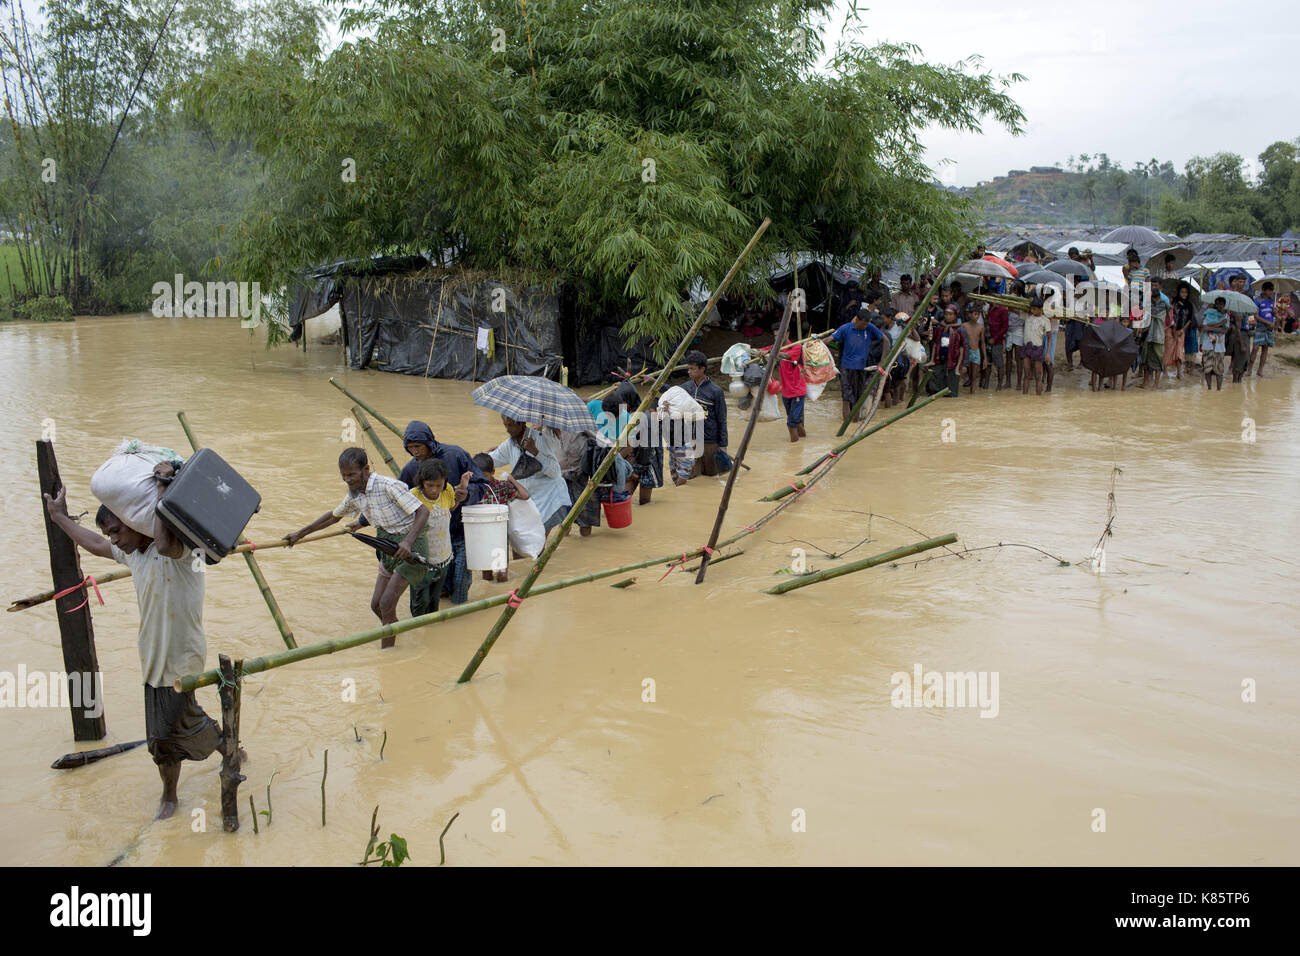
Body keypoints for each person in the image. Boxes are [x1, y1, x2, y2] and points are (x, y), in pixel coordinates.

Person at [45, 467, 220, 820]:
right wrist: (60, 518)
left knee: (160, 737)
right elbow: (94, 545)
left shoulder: (179, 551)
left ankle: (169, 797)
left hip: (181, 655)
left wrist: (161, 489)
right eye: (110, 533)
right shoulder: (133, 554)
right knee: (184, 719)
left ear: (135, 521)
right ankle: (227, 745)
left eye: (117, 530)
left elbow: (166, 542)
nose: (113, 539)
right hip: (152, 656)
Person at [286, 447, 430, 648]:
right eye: (344, 476)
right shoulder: (355, 494)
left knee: (387, 603)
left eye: (352, 474)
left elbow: (423, 512)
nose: (348, 480)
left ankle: (387, 656)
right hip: (387, 544)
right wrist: (300, 533)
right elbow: (334, 516)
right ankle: (393, 629)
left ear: (365, 470)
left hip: (412, 545)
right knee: (376, 605)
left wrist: (407, 542)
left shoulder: (389, 486)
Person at [396, 421, 486, 605]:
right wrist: (364, 520)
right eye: (411, 448)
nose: (416, 452)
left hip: (460, 531)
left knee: (461, 581)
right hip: (432, 539)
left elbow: (483, 484)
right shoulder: (410, 470)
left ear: (429, 443)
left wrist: (467, 493)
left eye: (419, 446)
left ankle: (458, 620)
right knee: (439, 585)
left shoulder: (456, 455)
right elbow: (397, 498)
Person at [486, 416, 571, 531]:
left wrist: (535, 451)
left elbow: (555, 472)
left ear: (521, 423)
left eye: (510, 425)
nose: (507, 429)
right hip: (530, 498)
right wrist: (481, 459)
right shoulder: (510, 444)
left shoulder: (540, 439)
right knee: (527, 541)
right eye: (505, 425)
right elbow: (493, 459)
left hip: (550, 497)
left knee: (539, 542)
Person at [471, 452, 533, 579]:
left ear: (493, 472)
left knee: (502, 576)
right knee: (486, 576)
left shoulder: (502, 486)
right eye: (477, 475)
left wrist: (512, 480)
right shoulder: (473, 489)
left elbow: (525, 496)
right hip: (481, 536)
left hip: (500, 535)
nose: (481, 479)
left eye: (485, 476)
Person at [409, 458, 460, 608]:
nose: (434, 490)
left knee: (435, 598)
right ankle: (418, 628)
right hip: (421, 559)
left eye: (439, 485)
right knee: (420, 599)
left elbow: (450, 508)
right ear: (421, 482)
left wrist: (460, 496)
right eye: (430, 485)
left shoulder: (448, 490)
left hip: (443, 555)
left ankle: (432, 629)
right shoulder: (413, 496)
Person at [680, 350, 728, 478]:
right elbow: (671, 392)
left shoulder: (716, 391)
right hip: (691, 440)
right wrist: (653, 380)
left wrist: (723, 445)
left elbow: (722, 419)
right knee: (691, 478)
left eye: (692, 369)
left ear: (702, 369)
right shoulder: (686, 388)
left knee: (710, 478)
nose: (689, 371)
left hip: (710, 442)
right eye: (688, 368)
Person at [830, 307, 883, 421]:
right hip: (846, 367)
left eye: (866, 324)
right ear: (857, 320)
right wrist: (818, 344)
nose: (865, 327)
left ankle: (855, 422)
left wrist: (882, 362)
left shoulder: (869, 328)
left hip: (861, 368)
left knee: (858, 397)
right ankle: (846, 425)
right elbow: (830, 338)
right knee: (846, 398)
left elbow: (885, 340)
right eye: (863, 324)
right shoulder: (845, 328)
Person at [657, 384, 706, 484]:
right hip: (675, 447)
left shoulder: (676, 416)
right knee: (675, 474)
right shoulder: (673, 413)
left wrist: (665, 412)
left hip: (683, 448)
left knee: (682, 476)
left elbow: (669, 427)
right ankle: (677, 492)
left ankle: (680, 491)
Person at [928, 304, 965, 398]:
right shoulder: (940, 329)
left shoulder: (959, 330)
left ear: (955, 315)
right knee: (936, 386)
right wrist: (932, 360)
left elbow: (962, 348)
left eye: (950, 314)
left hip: (953, 362)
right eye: (946, 314)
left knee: (952, 392)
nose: (948, 317)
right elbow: (935, 344)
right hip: (940, 359)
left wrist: (958, 366)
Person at [775, 339, 807, 441]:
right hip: (786, 392)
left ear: (787, 334)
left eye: (778, 335)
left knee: (791, 422)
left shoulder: (796, 347)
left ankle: (795, 450)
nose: (777, 338)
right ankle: (803, 439)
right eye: (775, 335)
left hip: (797, 391)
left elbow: (786, 356)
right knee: (795, 420)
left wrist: (773, 353)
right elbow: (763, 350)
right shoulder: (777, 346)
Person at [1138, 286, 1166, 390]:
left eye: (1153, 297)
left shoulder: (1163, 305)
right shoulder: (1149, 306)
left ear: (1157, 297)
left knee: (1158, 362)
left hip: (1158, 337)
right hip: (1149, 336)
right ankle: (1145, 383)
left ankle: (1156, 385)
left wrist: (1145, 310)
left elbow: (1154, 314)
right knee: (1146, 361)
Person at [1022, 297, 1050, 396]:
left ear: (1040, 309)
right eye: (1031, 309)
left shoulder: (1045, 320)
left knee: (1038, 376)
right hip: (1026, 347)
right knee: (1026, 375)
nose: (1032, 310)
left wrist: (1048, 353)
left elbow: (1049, 338)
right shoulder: (1027, 317)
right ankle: (1024, 396)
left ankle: (1038, 398)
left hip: (1038, 348)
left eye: (1034, 309)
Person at [1200, 297, 1228, 390]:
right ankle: (1209, 388)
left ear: (1224, 305)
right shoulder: (1209, 314)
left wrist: (1210, 328)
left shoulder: (1226, 316)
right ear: (1215, 304)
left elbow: (1224, 330)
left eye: (1221, 304)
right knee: (1207, 369)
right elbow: (1204, 328)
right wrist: (1219, 324)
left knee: (1219, 370)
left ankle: (1219, 389)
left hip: (1219, 347)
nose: (1219, 306)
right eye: (1218, 304)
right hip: (1207, 345)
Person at [1250, 281, 1276, 376]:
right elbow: (1256, 316)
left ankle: (1260, 370)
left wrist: (1275, 313)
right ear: (1264, 290)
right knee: (1255, 348)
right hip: (1261, 327)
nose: (1271, 292)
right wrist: (1268, 322)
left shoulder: (1271, 301)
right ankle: (1249, 369)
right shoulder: (1258, 300)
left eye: (1272, 290)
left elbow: (1273, 314)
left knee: (1265, 349)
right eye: (1269, 290)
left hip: (1270, 328)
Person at [1174, 282, 1198, 375]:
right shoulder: (1175, 302)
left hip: (1188, 329)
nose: (1184, 294)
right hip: (1176, 329)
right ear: (1179, 292)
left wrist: (1183, 329)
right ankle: (1180, 370)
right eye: (1182, 292)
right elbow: (1173, 316)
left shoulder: (1189, 304)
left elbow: (1190, 319)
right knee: (1178, 350)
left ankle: (1191, 370)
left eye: (1186, 292)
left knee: (1191, 349)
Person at [960, 302, 985, 392]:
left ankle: (972, 392)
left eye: (978, 315)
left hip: (976, 352)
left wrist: (985, 358)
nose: (977, 316)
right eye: (975, 314)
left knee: (974, 375)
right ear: (969, 315)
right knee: (968, 374)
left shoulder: (981, 327)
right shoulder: (964, 326)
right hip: (967, 351)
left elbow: (982, 342)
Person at [984, 300, 1007, 390]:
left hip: (997, 341)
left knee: (999, 364)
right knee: (988, 363)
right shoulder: (989, 308)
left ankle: (999, 385)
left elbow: (1005, 327)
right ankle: (986, 384)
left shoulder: (1002, 310)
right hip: (988, 338)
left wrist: (995, 338)